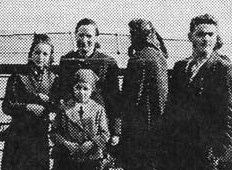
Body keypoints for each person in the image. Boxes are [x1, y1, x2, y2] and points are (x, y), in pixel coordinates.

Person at [162, 14, 232, 170]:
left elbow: (228, 113)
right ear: (190, 37)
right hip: (180, 146)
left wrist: (221, 151)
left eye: (211, 34)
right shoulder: (180, 67)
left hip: (208, 149)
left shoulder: (223, 69)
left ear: (216, 37)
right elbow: (171, 107)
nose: (206, 39)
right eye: (200, 34)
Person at [55, 18, 120, 147]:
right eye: (80, 35)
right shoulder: (67, 61)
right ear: (75, 36)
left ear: (96, 38)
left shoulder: (108, 63)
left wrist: (116, 132)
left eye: (89, 36)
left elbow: (114, 100)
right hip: (71, 127)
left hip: (97, 127)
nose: (84, 40)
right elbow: (61, 92)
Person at [1, 34, 57, 170]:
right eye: (37, 52)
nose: (40, 57)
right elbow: (7, 106)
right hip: (18, 135)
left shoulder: (53, 79)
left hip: (39, 136)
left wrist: (49, 101)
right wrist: (28, 106)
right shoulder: (18, 76)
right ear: (31, 54)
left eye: (45, 54)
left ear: (50, 57)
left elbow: (57, 105)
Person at [120, 18, 168, 170]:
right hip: (157, 126)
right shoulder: (159, 56)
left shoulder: (139, 58)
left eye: (131, 33)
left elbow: (131, 98)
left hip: (139, 127)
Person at [51, 69, 110, 170]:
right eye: (78, 88)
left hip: (92, 157)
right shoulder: (65, 108)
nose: (81, 92)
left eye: (85, 88)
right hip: (67, 155)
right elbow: (54, 132)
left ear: (92, 90)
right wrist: (67, 143)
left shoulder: (98, 109)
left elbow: (105, 134)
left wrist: (92, 143)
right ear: (73, 89)